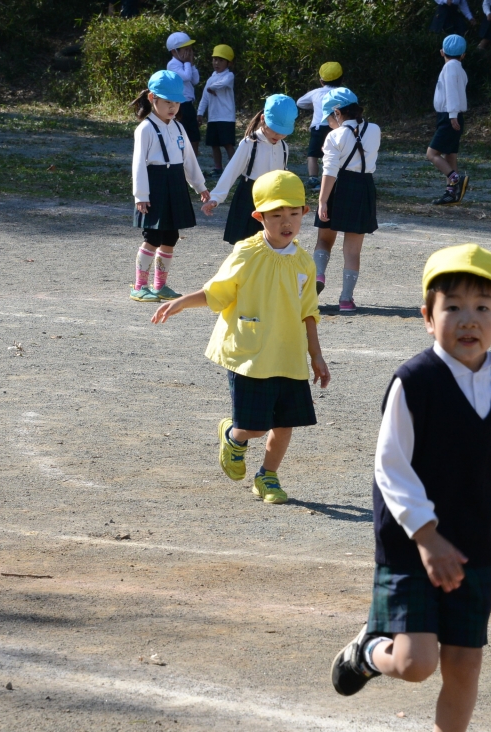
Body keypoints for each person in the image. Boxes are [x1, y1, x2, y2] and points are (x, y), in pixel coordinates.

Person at [330, 243, 491, 732]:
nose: (469, 318)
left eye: (483, 306)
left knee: (464, 664)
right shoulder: (415, 381)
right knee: (414, 664)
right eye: (452, 306)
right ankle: (365, 651)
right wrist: (427, 538)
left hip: (473, 544)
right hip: (411, 545)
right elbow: (390, 465)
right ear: (427, 317)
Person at [152, 170, 329, 505]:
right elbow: (216, 293)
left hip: (289, 355)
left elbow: (309, 312)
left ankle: (267, 476)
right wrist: (181, 303)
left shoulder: (304, 262)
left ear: (305, 212)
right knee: (256, 427)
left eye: (293, 213)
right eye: (276, 215)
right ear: (259, 217)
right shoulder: (246, 253)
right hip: (250, 354)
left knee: (286, 423)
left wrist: (316, 355)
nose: (286, 222)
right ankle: (234, 436)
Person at [130, 70, 210, 303]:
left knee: (171, 237)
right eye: (168, 102)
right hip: (154, 185)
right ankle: (139, 286)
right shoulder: (144, 129)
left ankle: (160, 286)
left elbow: (189, 161)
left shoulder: (178, 127)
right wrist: (141, 195)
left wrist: (200, 186)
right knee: (153, 236)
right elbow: (138, 165)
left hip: (175, 184)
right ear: (152, 98)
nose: (173, 107)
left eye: (176, 102)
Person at [314, 87, 380, 312]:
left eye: (329, 118)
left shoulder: (334, 136)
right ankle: (345, 299)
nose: (328, 123)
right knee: (352, 251)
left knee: (324, 239)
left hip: (338, 187)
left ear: (338, 113)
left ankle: (319, 275)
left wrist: (323, 200)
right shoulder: (375, 130)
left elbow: (329, 171)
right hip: (363, 187)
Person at [203, 94, 297, 245]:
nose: (279, 135)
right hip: (249, 199)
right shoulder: (250, 144)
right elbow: (231, 171)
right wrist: (215, 199)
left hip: (273, 202)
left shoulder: (284, 147)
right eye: (275, 130)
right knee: (246, 246)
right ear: (262, 119)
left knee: (271, 246)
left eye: (283, 132)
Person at [426, 34, 470, 206]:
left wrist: (452, 115)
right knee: (450, 154)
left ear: (442, 52)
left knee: (432, 153)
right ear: (463, 54)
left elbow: (451, 92)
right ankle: (451, 193)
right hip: (452, 114)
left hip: (449, 115)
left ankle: (455, 179)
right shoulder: (459, 67)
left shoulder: (450, 67)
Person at [296, 62, 343, 190]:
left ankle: (313, 178)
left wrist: (314, 105)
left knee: (313, 154)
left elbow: (300, 102)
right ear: (341, 79)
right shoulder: (343, 93)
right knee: (335, 154)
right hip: (337, 128)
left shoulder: (316, 93)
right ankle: (335, 178)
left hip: (318, 127)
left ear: (321, 81)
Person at [198, 45, 237, 175]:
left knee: (227, 144)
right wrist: (200, 113)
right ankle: (218, 168)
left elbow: (223, 84)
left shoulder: (229, 76)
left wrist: (212, 87)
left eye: (220, 60)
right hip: (213, 117)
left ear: (228, 63)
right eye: (215, 59)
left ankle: (235, 170)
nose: (216, 63)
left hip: (226, 117)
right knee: (214, 144)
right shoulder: (210, 78)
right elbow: (205, 97)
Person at [166, 32, 202, 159]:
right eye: (185, 49)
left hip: (188, 104)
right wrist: (188, 63)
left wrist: (191, 64)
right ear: (174, 52)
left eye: (190, 49)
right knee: (182, 135)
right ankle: (182, 162)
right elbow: (186, 77)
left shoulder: (186, 63)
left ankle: (193, 165)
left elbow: (195, 80)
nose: (189, 52)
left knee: (194, 136)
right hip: (180, 105)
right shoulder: (172, 65)